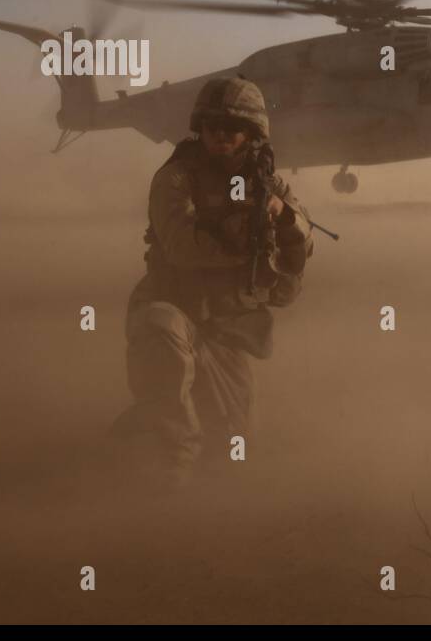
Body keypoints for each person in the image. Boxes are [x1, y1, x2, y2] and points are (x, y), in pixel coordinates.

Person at [113, 76, 314, 486]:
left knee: (235, 453)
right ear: (199, 129)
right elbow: (181, 247)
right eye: (212, 127)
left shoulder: (268, 184)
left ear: (251, 134)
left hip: (224, 330)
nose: (221, 135)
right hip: (177, 311)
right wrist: (242, 236)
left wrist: (285, 221)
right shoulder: (176, 178)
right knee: (160, 331)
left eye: (232, 128)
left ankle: (143, 426)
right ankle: (169, 463)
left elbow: (295, 263)